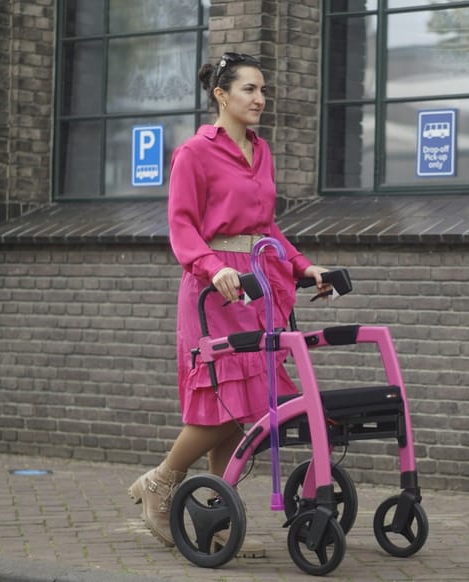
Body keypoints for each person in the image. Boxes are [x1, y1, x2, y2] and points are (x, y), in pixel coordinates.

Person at [127, 52, 329, 557]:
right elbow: (181, 224)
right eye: (249, 90)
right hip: (215, 289)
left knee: (246, 411)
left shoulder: (261, 151)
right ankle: (162, 481)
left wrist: (303, 266)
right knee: (226, 399)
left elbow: (266, 226)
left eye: (263, 90)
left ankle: (217, 520)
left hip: (258, 285)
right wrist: (210, 266)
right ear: (221, 95)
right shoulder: (194, 153)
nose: (260, 99)